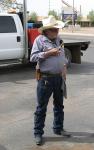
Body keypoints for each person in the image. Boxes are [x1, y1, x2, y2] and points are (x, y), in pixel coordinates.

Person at [30, 15, 70, 145]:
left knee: (59, 105)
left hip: (58, 78)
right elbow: (33, 57)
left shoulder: (59, 40)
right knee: (41, 108)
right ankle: (38, 133)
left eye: (57, 29)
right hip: (45, 79)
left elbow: (62, 56)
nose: (56, 31)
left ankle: (58, 128)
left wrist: (64, 67)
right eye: (53, 29)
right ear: (46, 30)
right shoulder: (39, 40)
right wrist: (48, 53)